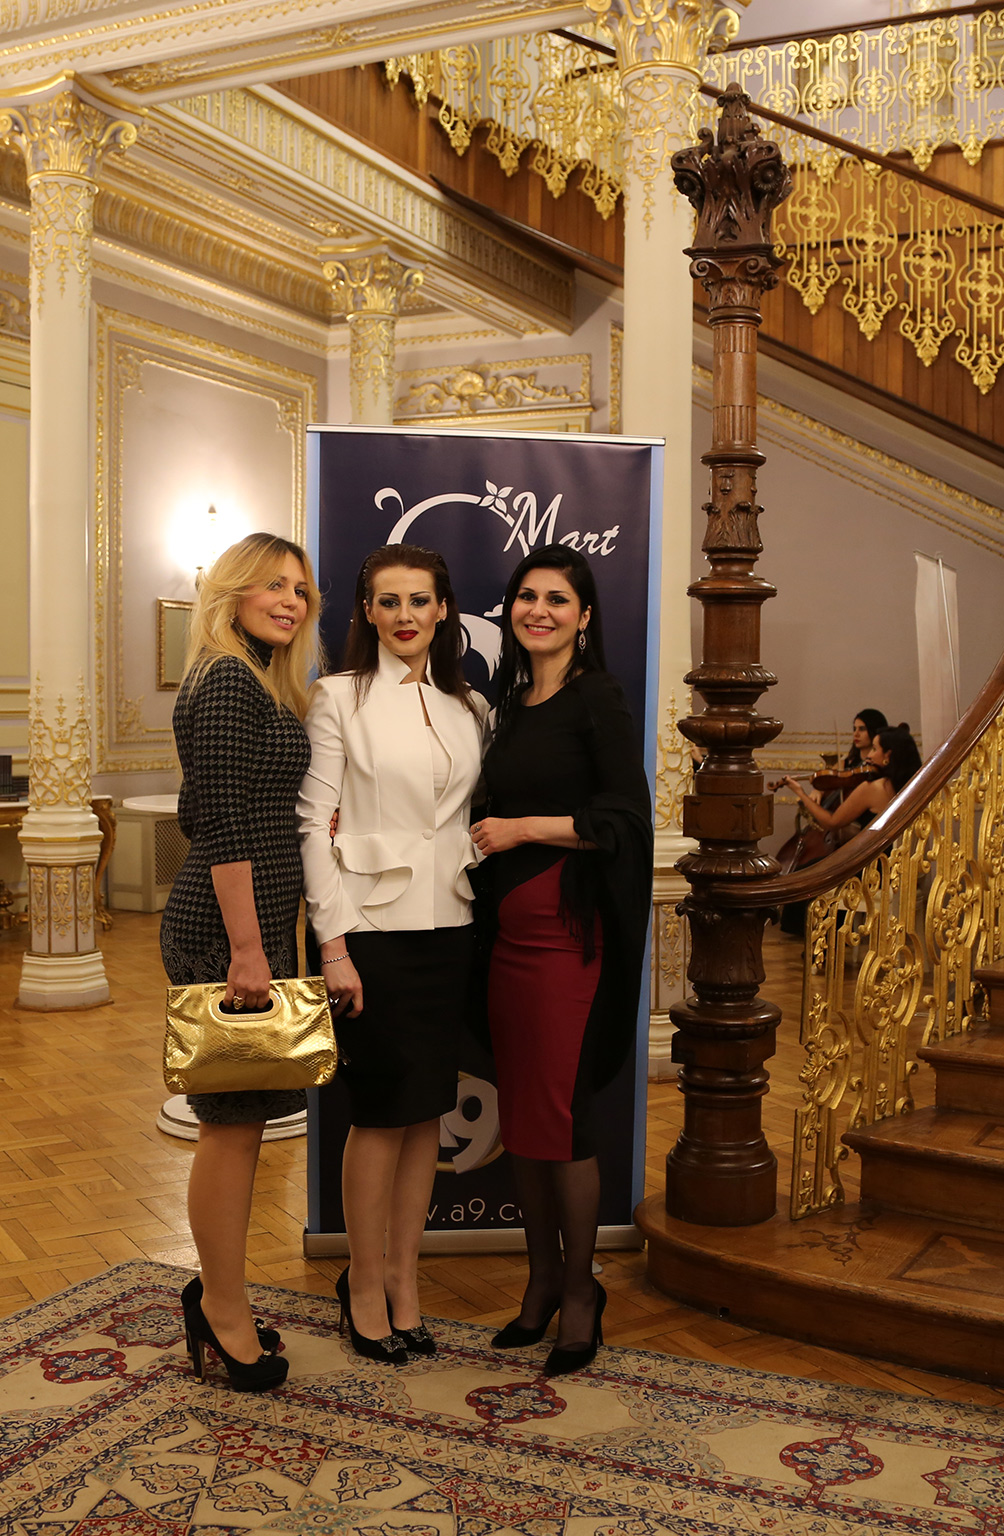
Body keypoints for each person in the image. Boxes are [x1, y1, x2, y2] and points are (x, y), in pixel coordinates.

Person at [298, 544, 487, 1366]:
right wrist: (332, 946)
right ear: (367, 613)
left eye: (419, 600)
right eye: (388, 601)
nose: (405, 615)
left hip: (451, 928)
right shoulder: (338, 697)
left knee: (425, 1117)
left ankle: (406, 1284)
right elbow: (314, 826)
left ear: (443, 609)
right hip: (370, 934)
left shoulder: (470, 706)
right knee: (379, 1118)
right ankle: (364, 1286)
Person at [469, 544, 653, 1378]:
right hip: (506, 944)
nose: (537, 610)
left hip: (567, 942)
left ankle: (581, 1292)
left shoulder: (596, 697)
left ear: (584, 617)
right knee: (524, 1120)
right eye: (526, 596)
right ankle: (540, 1281)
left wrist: (522, 829)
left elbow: (622, 821)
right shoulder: (512, 704)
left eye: (556, 599)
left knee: (561, 1119)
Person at [162, 531, 323, 1393]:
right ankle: (221, 1311)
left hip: (252, 926)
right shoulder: (226, 678)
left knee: (244, 1126)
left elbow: (246, 807)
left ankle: (220, 1296)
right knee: (228, 1130)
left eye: (300, 589)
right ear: (231, 593)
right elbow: (222, 824)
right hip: (227, 932)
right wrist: (250, 947)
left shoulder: (254, 677)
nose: (291, 601)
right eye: (273, 585)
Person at [784, 722, 923, 834]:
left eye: (874, 749)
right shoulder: (914, 786)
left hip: (872, 860)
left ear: (888, 755)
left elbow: (832, 822)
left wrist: (800, 793)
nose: (869, 755)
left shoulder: (874, 788)